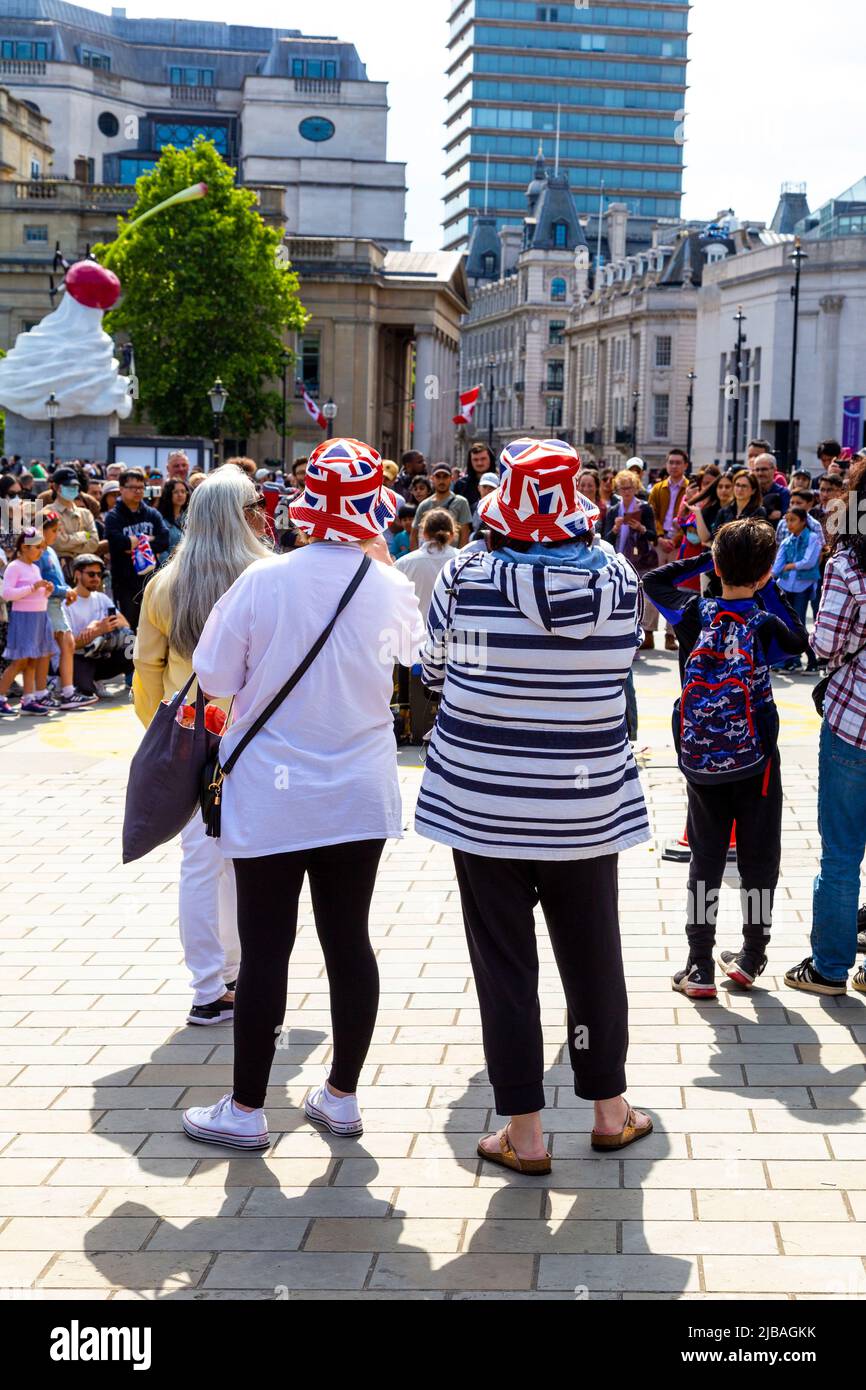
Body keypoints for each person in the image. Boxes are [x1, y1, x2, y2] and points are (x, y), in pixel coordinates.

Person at [415, 438, 652, 1171]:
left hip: (484, 801)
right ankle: (609, 1109)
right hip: (583, 801)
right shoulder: (617, 577)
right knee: (593, 954)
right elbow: (621, 670)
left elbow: (432, 671)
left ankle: (524, 1132)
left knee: (505, 965)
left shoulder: (464, 573)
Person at [181, 438, 425, 1150]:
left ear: (305, 506)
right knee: (350, 941)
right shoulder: (388, 585)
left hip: (272, 794)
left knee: (266, 950)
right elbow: (414, 658)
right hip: (356, 790)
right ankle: (341, 1096)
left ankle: (248, 1109)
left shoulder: (264, 582)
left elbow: (215, 678)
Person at [644, 520, 808, 999]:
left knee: (705, 860)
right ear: (764, 574)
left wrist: (709, 561)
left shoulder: (693, 612)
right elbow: (799, 641)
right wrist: (766, 587)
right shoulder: (765, 622)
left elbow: (652, 580)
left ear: (715, 565)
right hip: (756, 760)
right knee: (758, 859)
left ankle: (698, 966)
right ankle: (752, 955)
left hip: (701, 761)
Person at [134, 470, 272, 1026]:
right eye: (257, 503)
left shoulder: (166, 583)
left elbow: (147, 667)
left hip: (191, 735)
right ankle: (237, 970)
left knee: (199, 862)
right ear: (240, 514)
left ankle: (207, 984)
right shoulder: (264, 576)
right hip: (254, 736)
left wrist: (160, 729)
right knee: (247, 860)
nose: (266, 511)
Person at [786, 458, 866, 996]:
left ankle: (830, 968)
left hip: (855, 723)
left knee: (841, 851)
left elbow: (825, 646)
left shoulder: (848, 567)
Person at [37, 512, 96, 709]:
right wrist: (66, 591)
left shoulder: (50, 551)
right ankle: (46, 692)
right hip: (46, 604)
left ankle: (65, 690)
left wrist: (65, 593)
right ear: (41, 530)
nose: (56, 534)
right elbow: (43, 583)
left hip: (56, 603)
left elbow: (56, 581)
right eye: (53, 531)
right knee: (54, 647)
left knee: (65, 644)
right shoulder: (38, 554)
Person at [103, 469, 171, 631]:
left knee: (151, 626)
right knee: (129, 627)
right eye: (133, 487)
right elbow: (116, 542)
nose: (138, 491)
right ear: (121, 489)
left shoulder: (152, 513)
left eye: (141, 487)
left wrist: (136, 544)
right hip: (125, 581)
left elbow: (164, 540)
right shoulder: (113, 516)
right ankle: (128, 657)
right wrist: (146, 541)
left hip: (150, 580)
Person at [0, 528, 57, 715]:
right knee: (19, 662)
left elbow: (38, 595)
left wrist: (47, 589)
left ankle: (28, 699)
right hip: (24, 618)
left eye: (42, 547)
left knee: (32, 660)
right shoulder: (14, 566)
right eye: (37, 547)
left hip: (39, 617)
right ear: (24, 547)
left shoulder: (34, 568)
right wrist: (33, 587)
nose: (40, 551)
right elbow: (7, 594)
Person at [66, 554, 133, 696]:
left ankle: (101, 679)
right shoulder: (67, 603)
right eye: (91, 574)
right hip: (77, 657)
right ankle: (62, 681)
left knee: (132, 643)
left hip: (100, 654)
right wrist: (98, 631)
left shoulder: (101, 598)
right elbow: (69, 646)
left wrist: (96, 625)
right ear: (78, 574)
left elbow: (125, 624)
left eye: (99, 574)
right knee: (86, 691)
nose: (96, 578)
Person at [648, 448, 690, 650]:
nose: (674, 466)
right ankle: (648, 631)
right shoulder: (658, 488)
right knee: (651, 586)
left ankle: (670, 634)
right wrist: (659, 536)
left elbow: (688, 519)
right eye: (670, 462)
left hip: (679, 543)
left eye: (678, 462)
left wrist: (676, 538)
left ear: (685, 466)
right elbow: (652, 514)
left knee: (674, 589)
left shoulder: (690, 489)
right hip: (659, 542)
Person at [771, 509, 821, 672]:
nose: (789, 524)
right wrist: (769, 576)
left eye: (793, 520)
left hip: (803, 587)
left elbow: (809, 561)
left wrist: (790, 566)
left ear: (803, 521)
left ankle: (811, 660)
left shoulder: (813, 538)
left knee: (798, 624)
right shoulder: (787, 541)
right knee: (786, 623)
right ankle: (792, 661)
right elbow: (778, 565)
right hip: (785, 586)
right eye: (787, 520)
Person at [395, 508, 458, 621]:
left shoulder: (403, 563)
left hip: (417, 633)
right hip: (457, 634)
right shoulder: (466, 560)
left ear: (424, 534)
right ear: (452, 534)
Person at [40, 466, 100, 567]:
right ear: (56, 487)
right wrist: (85, 535)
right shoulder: (46, 512)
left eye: (75, 486)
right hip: (57, 566)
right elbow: (57, 543)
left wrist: (68, 543)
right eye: (68, 486)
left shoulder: (86, 513)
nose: (72, 489)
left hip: (84, 570)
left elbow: (94, 543)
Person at [411, 464, 472, 549]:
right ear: (432, 479)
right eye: (438, 477)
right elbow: (414, 534)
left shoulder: (461, 502)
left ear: (451, 478)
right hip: (428, 557)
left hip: (452, 557)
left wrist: (460, 558)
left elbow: (464, 534)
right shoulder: (424, 505)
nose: (441, 481)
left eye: (445, 477)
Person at [454, 442, 495, 515]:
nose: (479, 463)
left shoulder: (501, 483)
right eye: (475, 460)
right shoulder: (461, 485)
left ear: (490, 459)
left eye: (483, 459)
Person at [156, 478, 189, 560]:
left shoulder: (190, 518)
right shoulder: (160, 519)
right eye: (176, 492)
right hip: (168, 568)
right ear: (168, 494)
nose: (180, 495)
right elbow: (159, 551)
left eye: (183, 491)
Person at [750, 454, 789, 523]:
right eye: (757, 470)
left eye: (764, 469)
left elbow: (786, 517)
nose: (760, 473)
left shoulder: (784, 493)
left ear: (774, 469)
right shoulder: (750, 492)